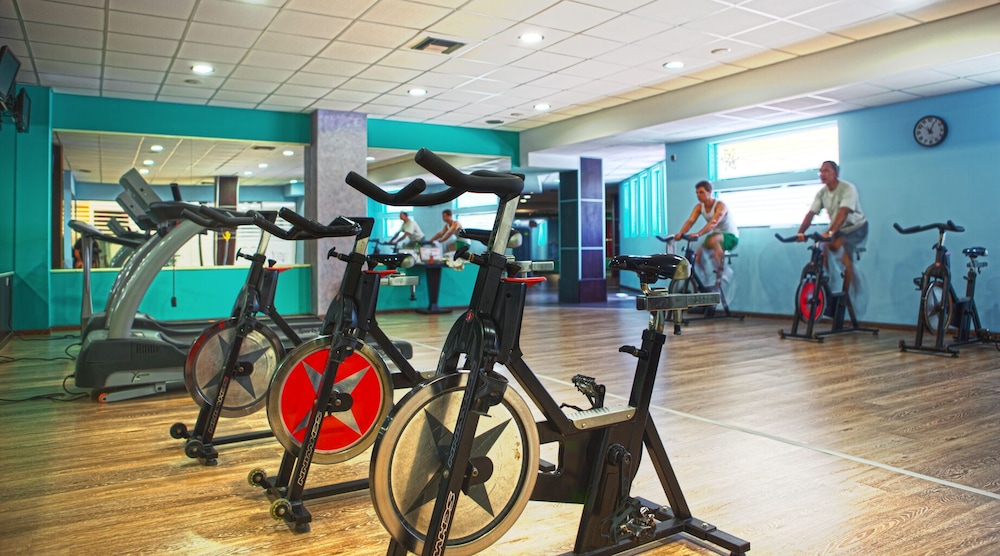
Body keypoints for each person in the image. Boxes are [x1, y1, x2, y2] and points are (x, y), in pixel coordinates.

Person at [796, 160, 867, 291]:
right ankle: (829, 279)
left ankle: (850, 287)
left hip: (856, 227)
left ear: (836, 174)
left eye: (827, 171)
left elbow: (843, 212)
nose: (823, 174)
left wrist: (830, 232)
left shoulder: (847, 188)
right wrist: (800, 233)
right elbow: (811, 214)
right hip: (840, 228)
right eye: (821, 171)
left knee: (837, 245)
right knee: (823, 247)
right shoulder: (822, 193)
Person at [673, 180, 739, 285]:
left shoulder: (720, 205)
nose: (698, 195)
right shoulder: (699, 207)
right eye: (697, 193)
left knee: (714, 241)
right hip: (715, 235)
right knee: (697, 256)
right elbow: (690, 221)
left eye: (701, 192)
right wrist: (681, 233)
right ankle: (705, 278)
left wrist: (698, 233)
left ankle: (725, 271)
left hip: (730, 236)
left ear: (710, 192)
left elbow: (714, 222)